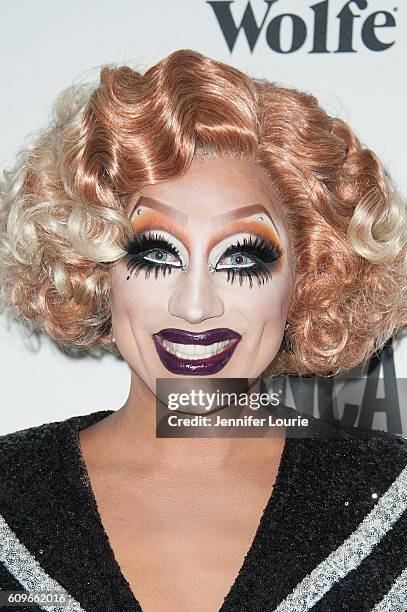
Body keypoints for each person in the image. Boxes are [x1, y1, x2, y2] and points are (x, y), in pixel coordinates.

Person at [0, 49, 406, 612]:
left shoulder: (394, 504)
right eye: (154, 252)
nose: (195, 306)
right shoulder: (10, 494)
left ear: (310, 276)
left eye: (242, 258)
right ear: (93, 269)